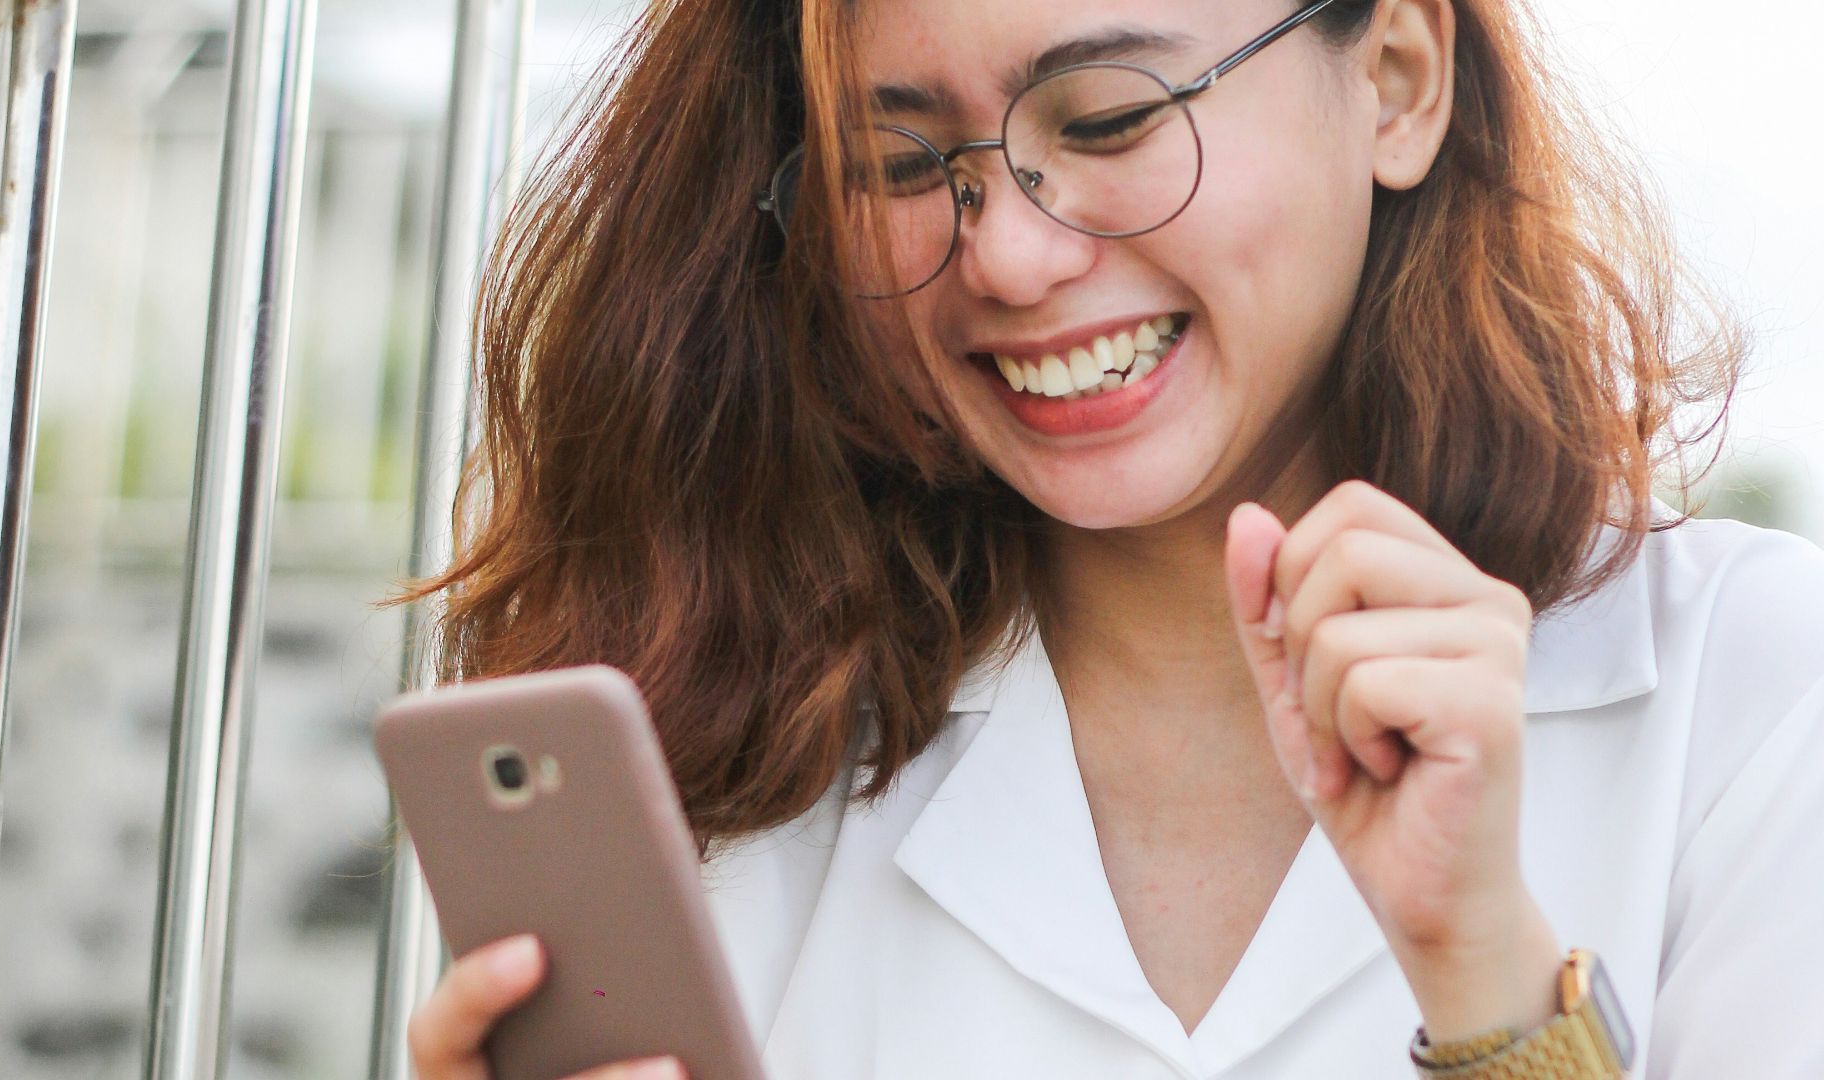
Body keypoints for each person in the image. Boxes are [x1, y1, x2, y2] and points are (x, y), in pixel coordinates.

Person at [398, 0, 1824, 1077]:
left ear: (1397, 79)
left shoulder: (1758, 692)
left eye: (1106, 121)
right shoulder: (713, 750)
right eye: (897, 164)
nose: (1011, 259)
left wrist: (1496, 993)